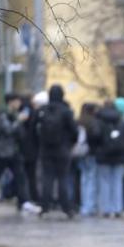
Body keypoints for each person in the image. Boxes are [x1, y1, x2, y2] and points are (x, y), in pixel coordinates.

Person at [0, 100, 41, 214]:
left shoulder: (13, 115)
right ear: (11, 102)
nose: (18, 104)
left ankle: (25, 202)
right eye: (16, 102)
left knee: (20, 176)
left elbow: (20, 134)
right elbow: (9, 130)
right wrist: (18, 121)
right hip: (2, 153)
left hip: (13, 153)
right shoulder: (2, 116)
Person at [36, 84, 78, 218]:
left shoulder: (42, 110)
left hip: (46, 150)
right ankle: (67, 208)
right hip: (63, 149)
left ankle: (45, 207)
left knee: (47, 178)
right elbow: (74, 131)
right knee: (63, 179)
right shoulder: (66, 111)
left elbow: (33, 129)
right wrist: (70, 144)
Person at [93, 101, 124, 218]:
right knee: (117, 182)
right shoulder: (121, 120)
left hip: (103, 155)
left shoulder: (99, 120)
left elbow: (96, 136)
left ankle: (105, 208)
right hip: (119, 155)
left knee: (104, 182)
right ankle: (117, 208)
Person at [74, 103, 99, 216]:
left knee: (83, 179)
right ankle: (89, 206)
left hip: (80, 152)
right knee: (91, 179)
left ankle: (84, 205)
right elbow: (96, 136)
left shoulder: (78, 121)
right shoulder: (93, 122)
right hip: (91, 153)